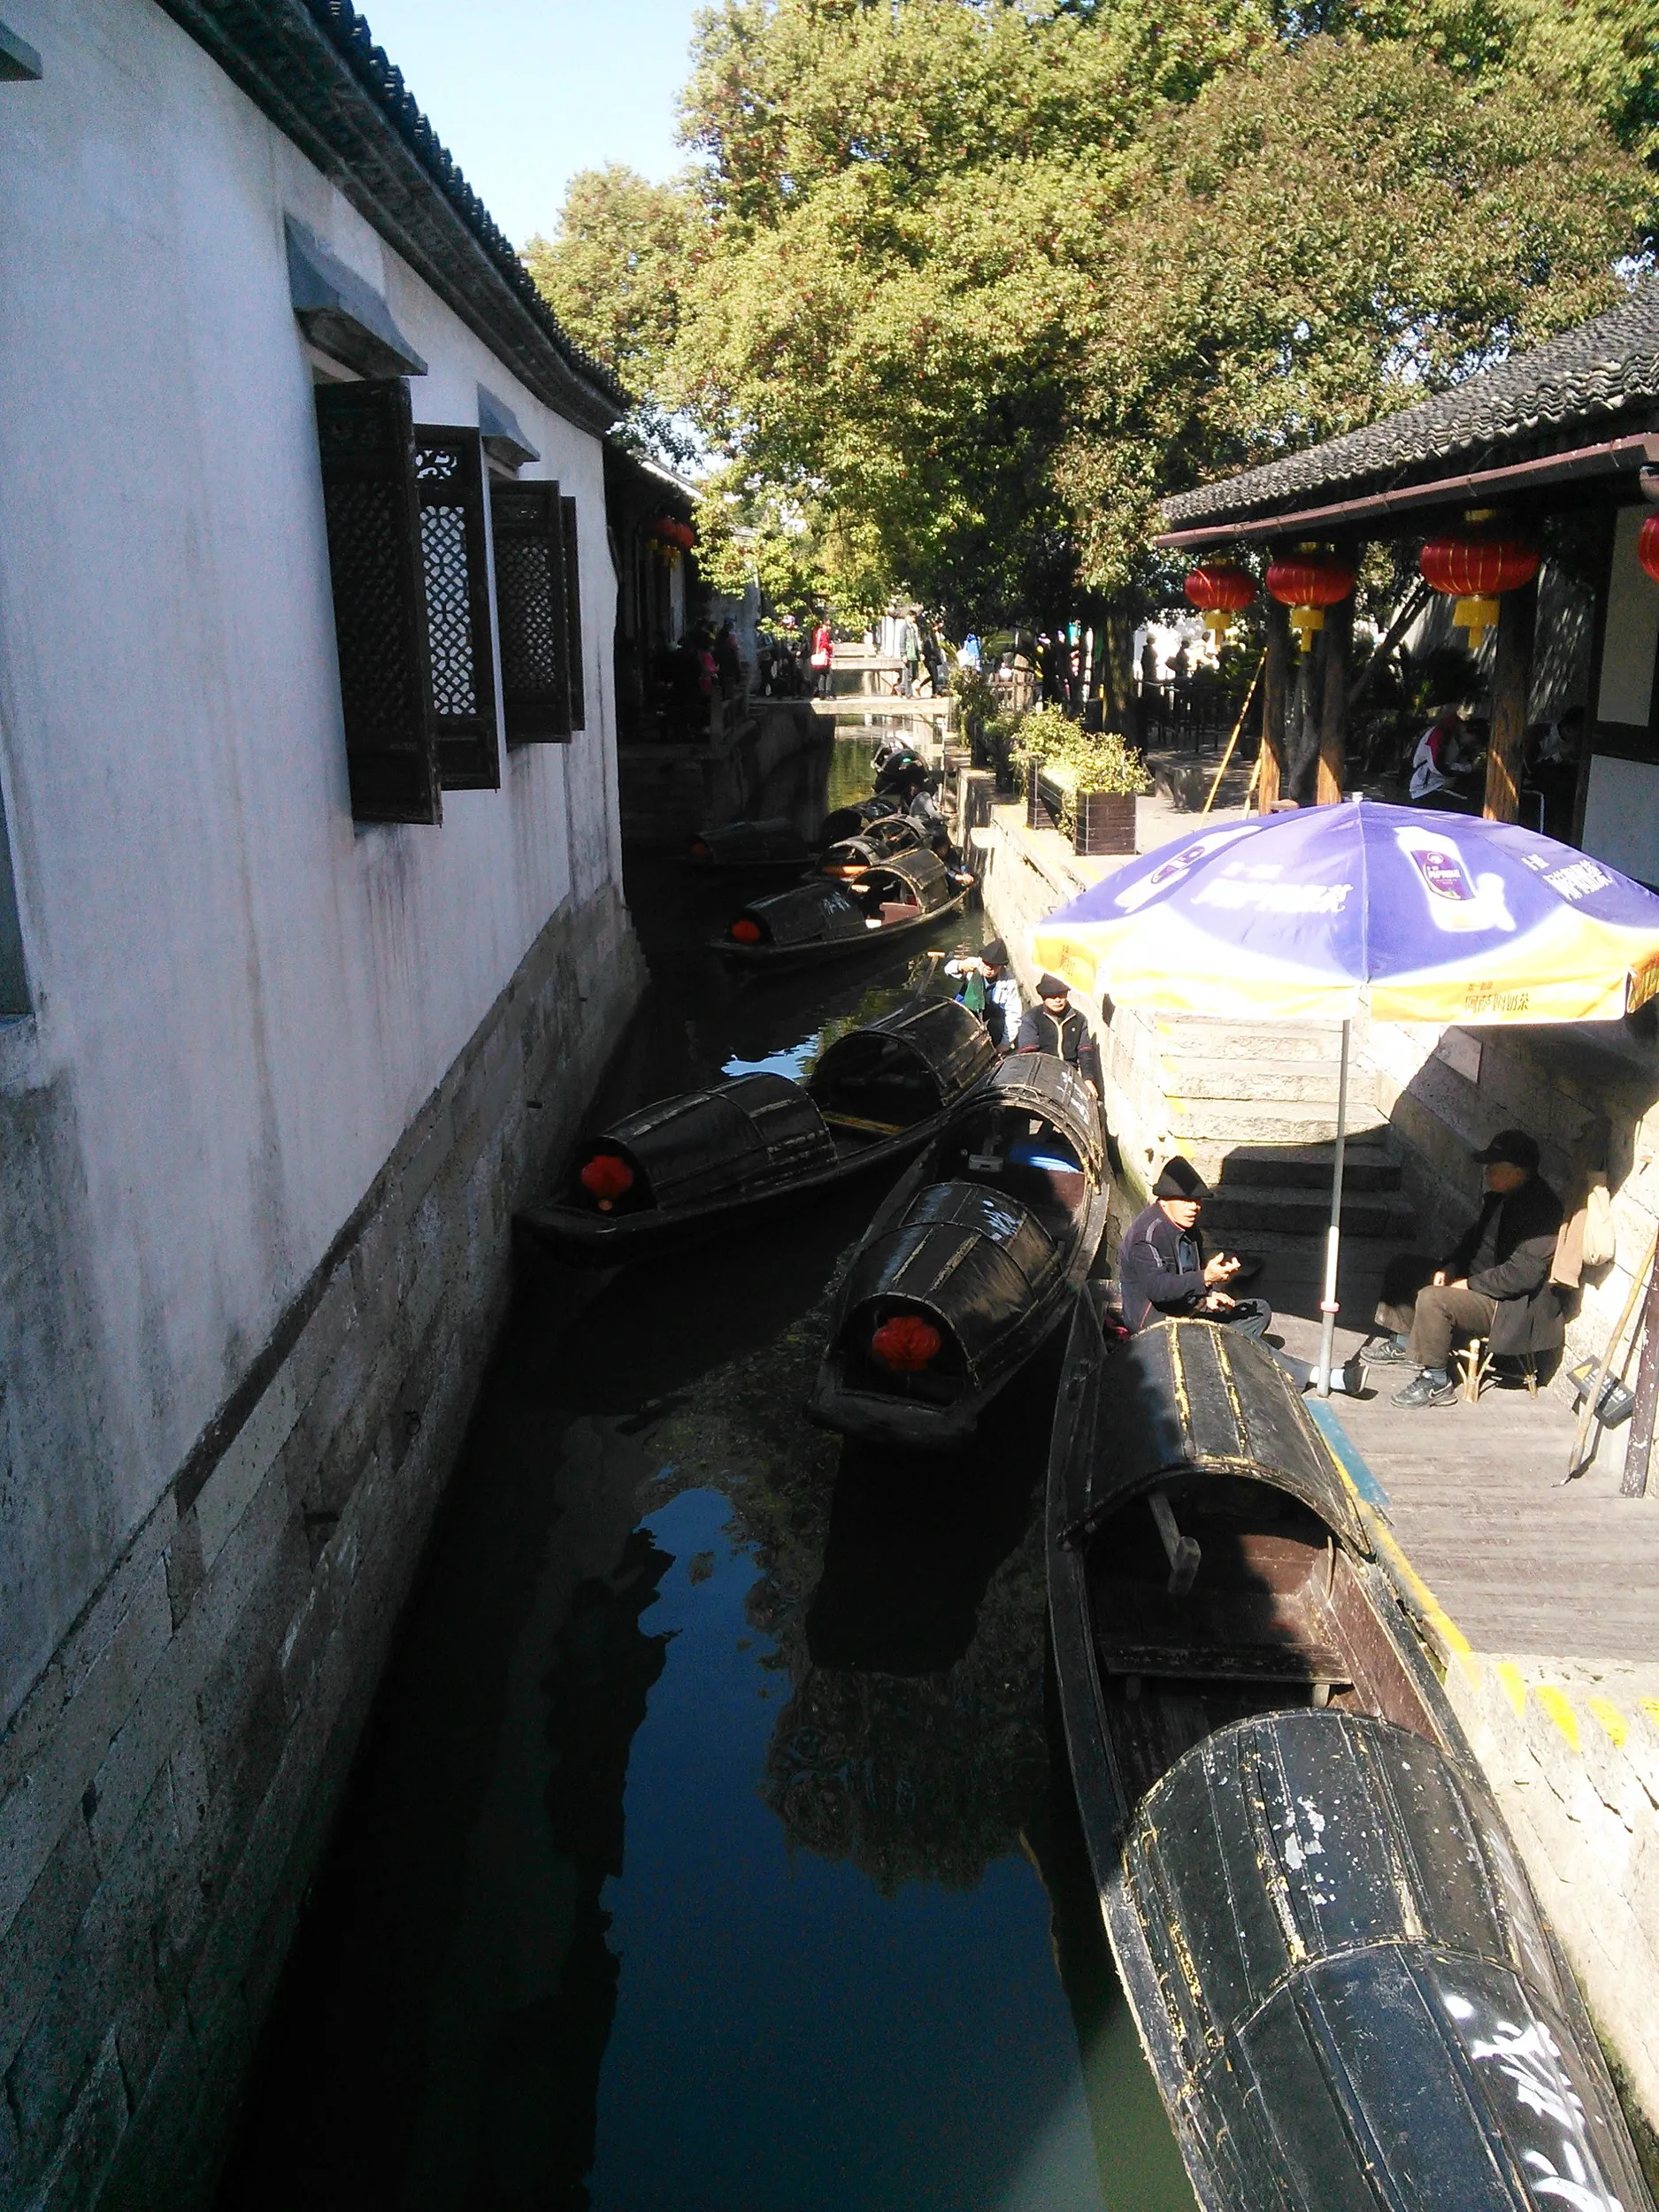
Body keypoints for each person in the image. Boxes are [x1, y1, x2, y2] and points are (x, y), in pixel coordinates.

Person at [1360, 1128, 1563, 1409]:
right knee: (1404, 1266)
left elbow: (1522, 1276)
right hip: (1475, 1281)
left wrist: (1468, 1285)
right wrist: (1451, 1265)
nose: (1487, 1172)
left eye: (1494, 1167)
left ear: (1518, 1171)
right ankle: (1405, 1340)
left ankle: (1436, 1381)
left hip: (1505, 1304)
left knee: (1433, 1298)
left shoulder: (1542, 1211)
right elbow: (1472, 1242)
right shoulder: (1500, 1198)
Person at [1118, 1157, 1271, 1338]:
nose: (1194, 1207)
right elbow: (1157, 1288)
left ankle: (1227, 1342)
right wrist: (1205, 1278)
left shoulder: (1190, 1230)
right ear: (1164, 1200)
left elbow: (1194, 1272)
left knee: (1260, 1310)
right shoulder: (1147, 1235)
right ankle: (1228, 1343)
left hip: (1188, 1306)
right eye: (1185, 1201)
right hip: (1155, 1320)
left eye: (1197, 1200)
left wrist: (1211, 1294)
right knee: (1231, 1335)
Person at [1016, 974, 1101, 1096]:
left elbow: (1085, 1051)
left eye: (1061, 995)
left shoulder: (1079, 1019)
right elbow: (1028, 1053)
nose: (1058, 1000)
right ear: (1043, 997)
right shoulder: (1032, 1018)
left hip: (1069, 1073)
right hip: (1040, 1073)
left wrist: (1088, 1079)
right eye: (1052, 996)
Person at [944, 939, 1022, 1047]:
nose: (989, 968)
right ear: (981, 959)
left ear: (1001, 966)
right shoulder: (973, 964)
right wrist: (961, 966)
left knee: (998, 1026)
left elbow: (1013, 1014)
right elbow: (948, 969)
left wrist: (1005, 1043)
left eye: (994, 966)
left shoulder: (1009, 983)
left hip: (990, 1017)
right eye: (986, 963)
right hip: (964, 1009)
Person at [1408, 705, 1475, 807]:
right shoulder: (1440, 734)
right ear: (1464, 729)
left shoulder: (1453, 738)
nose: (1472, 744)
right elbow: (1437, 765)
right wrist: (1467, 768)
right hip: (1425, 788)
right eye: (1474, 740)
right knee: (1468, 805)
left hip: (1436, 783)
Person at [714, 618, 741, 701]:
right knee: (727, 687)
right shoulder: (726, 641)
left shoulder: (720, 639)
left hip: (724, 665)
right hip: (727, 665)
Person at [811, 618, 834, 699]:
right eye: (829, 626)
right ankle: (828, 693)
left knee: (822, 674)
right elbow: (824, 644)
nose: (830, 628)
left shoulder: (817, 632)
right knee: (829, 673)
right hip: (824, 655)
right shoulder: (824, 633)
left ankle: (821, 694)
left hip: (818, 653)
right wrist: (830, 645)